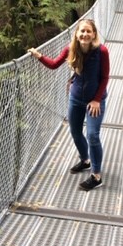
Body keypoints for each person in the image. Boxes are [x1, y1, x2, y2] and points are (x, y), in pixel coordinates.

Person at [28, 19, 110, 191]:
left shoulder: (101, 51)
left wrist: (96, 100)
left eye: (88, 31)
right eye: (82, 31)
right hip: (76, 98)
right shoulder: (71, 49)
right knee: (74, 131)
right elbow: (54, 65)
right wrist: (39, 56)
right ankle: (85, 160)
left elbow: (104, 77)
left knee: (93, 135)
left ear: (94, 34)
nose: (85, 34)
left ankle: (96, 175)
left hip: (95, 100)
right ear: (77, 34)